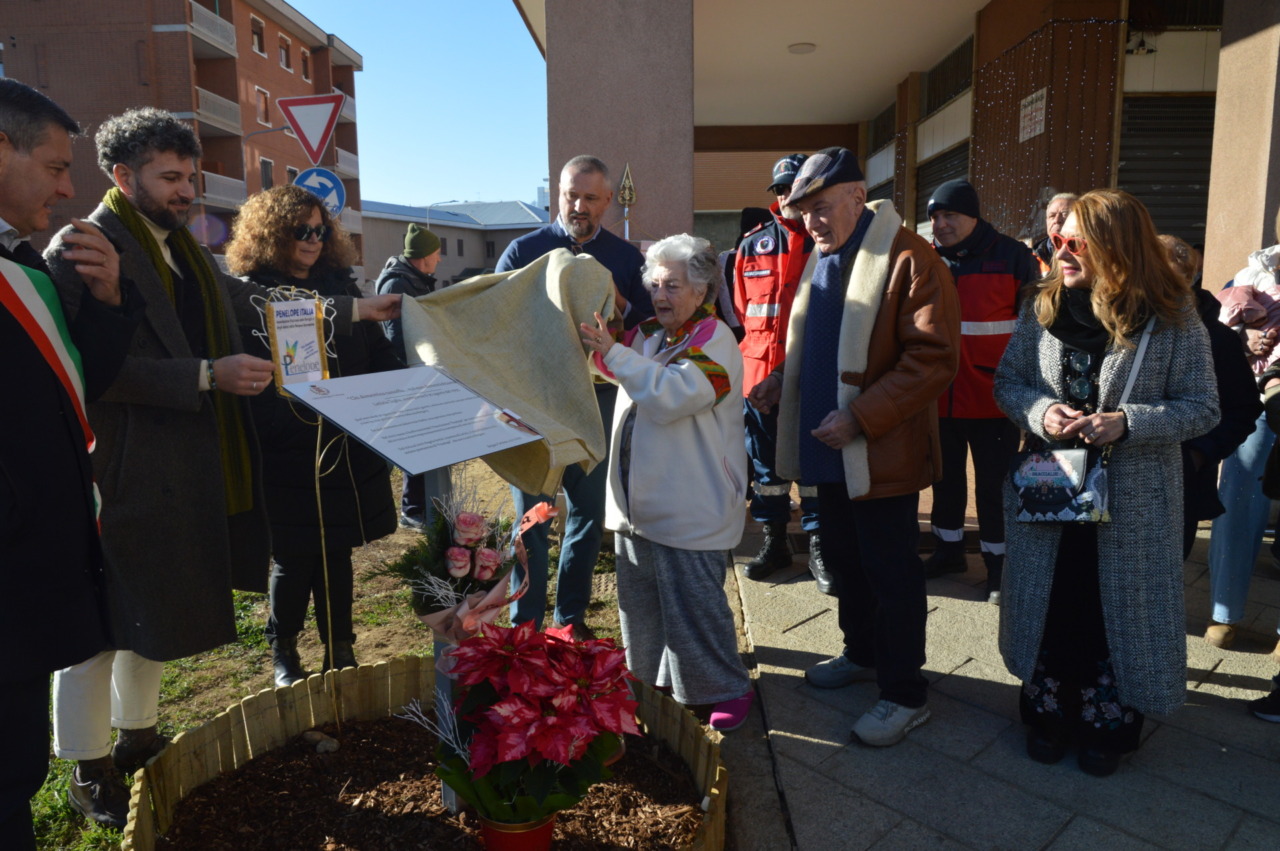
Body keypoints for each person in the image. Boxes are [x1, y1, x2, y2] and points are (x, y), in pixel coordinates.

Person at [43, 107, 400, 827]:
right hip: (122, 469)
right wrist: (207, 375)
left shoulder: (183, 250)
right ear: (122, 175)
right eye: (169, 177)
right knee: (101, 630)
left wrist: (360, 311)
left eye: (191, 177)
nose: (185, 191)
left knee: (153, 612)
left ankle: (138, 738)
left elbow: (257, 300)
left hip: (182, 466)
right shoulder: (83, 245)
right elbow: (88, 368)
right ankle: (86, 769)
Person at [994, 188, 1218, 777]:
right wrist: (1042, 413)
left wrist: (1127, 422)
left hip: (1136, 501)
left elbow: (1204, 407)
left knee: (1114, 608)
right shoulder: (1042, 307)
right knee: (1053, 599)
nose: (1060, 253)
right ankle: (1048, 714)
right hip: (1052, 483)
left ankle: (1108, 727)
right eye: (1056, 241)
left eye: (1075, 244)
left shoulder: (1172, 315)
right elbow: (1009, 384)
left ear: (1115, 249)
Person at [751, 147, 960, 746]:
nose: (812, 222)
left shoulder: (909, 258)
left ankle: (904, 694)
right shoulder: (827, 255)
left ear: (855, 194)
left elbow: (934, 359)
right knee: (843, 558)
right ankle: (860, 653)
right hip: (828, 448)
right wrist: (780, 379)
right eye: (802, 212)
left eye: (821, 207)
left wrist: (861, 417)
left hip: (879, 451)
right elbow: (824, 340)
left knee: (891, 571)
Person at [0, 78, 143, 851]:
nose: (67, 187)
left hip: (28, 583)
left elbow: (82, 382)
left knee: (13, 777)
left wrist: (111, 298)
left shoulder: (24, 265)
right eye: (55, 165)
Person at [227, 185, 400, 686]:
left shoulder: (344, 288)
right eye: (300, 230)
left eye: (320, 230)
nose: (312, 240)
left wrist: (389, 398)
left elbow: (380, 357)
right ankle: (283, 652)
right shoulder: (250, 296)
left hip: (345, 450)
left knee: (337, 552)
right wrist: (282, 426)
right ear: (272, 234)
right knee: (293, 556)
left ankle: (340, 648)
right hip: (285, 452)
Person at [579, 233, 753, 731]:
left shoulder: (716, 340)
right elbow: (612, 366)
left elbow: (674, 396)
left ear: (702, 291)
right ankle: (650, 679)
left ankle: (725, 688)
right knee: (642, 606)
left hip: (691, 504)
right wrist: (599, 324)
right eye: (654, 283)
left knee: (694, 607)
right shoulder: (650, 334)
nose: (660, 293)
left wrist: (615, 354)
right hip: (638, 506)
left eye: (673, 285)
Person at [494, 155, 653, 637]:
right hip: (534, 405)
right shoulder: (523, 251)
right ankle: (525, 623)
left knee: (586, 512)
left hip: (597, 402)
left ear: (608, 200)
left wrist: (619, 305)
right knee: (532, 517)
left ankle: (570, 620)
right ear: (556, 194)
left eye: (589, 197)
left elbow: (649, 330)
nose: (578, 205)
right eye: (569, 194)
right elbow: (494, 320)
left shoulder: (628, 260)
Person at [923, 179, 1039, 603]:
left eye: (949, 215)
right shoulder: (929, 259)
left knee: (994, 487)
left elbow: (1033, 330)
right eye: (935, 216)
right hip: (940, 396)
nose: (941, 224)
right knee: (944, 480)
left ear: (973, 216)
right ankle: (948, 551)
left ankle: (999, 567)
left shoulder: (1013, 257)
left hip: (995, 398)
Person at [734, 154, 831, 593]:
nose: (787, 195)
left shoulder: (828, 242)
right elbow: (742, 310)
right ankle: (775, 544)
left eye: (795, 186)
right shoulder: (752, 245)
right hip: (758, 381)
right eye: (780, 189)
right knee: (767, 471)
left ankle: (818, 547)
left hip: (811, 378)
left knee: (812, 468)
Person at [1204, 209, 1280, 653]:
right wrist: (1242, 340)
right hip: (1260, 403)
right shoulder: (1254, 270)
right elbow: (1214, 329)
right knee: (1238, 501)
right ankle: (1223, 614)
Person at [1157, 234, 1260, 559]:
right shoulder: (1123, 327)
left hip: (1181, 487)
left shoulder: (1217, 339)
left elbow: (1243, 410)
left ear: (1187, 277)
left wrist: (1199, 454)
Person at [374, 222, 453, 531]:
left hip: (420, 374)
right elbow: (398, 337)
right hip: (405, 376)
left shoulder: (414, 280)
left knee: (425, 443)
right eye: (437, 254)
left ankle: (422, 505)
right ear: (423, 256)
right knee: (413, 444)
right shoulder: (398, 284)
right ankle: (413, 509)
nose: (440, 260)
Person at [1032, 192, 1077, 274]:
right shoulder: (1032, 258)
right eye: (1052, 216)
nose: (1056, 220)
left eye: (1065, 214)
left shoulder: (1086, 253)